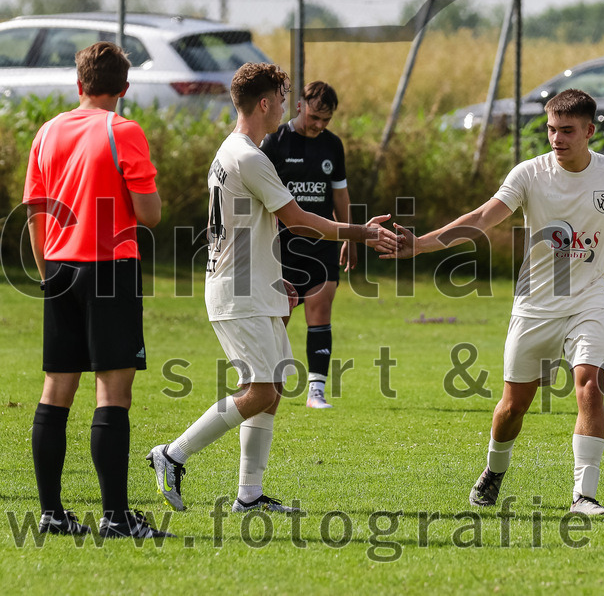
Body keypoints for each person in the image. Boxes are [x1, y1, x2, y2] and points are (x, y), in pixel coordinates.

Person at [386, 89, 604, 515]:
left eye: (566, 131)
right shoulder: (529, 174)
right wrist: (421, 245)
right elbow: (483, 218)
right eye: (550, 129)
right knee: (513, 407)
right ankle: (494, 471)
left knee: (590, 386)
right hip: (535, 307)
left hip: (589, 302)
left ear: (589, 132)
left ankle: (584, 496)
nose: (556, 138)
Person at [147, 63, 397, 514]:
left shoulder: (235, 150)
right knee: (261, 389)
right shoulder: (249, 156)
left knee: (272, 386)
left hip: (253, 286)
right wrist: (363, 233)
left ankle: (249, 495)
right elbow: (298, 220)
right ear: (265, 103)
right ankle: (172, 454)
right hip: (237, 290)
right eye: (282, 98)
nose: (286, 106)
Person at [23, 41, 171, 539]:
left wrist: (48, 273)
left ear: (79, 83)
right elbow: (149, 215)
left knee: (56, 388)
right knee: (113, 391)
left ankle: (50, 513)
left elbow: (36, 215)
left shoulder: (46, 133)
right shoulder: (122, 131)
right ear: (124, 89)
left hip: (59, 269)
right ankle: (114, 517)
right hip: (109, 270)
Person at [261, 81, 353, 409]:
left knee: (321, 308)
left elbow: (340, 194)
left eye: (325, 121)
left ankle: (316, 391)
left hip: (324, 241)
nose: (318, 125)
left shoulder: (332, 145)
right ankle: (267, 384)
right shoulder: (274, 141)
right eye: (314, 117)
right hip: (283, 246)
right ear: (299, 105)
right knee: (278, 316)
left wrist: (350, 237)